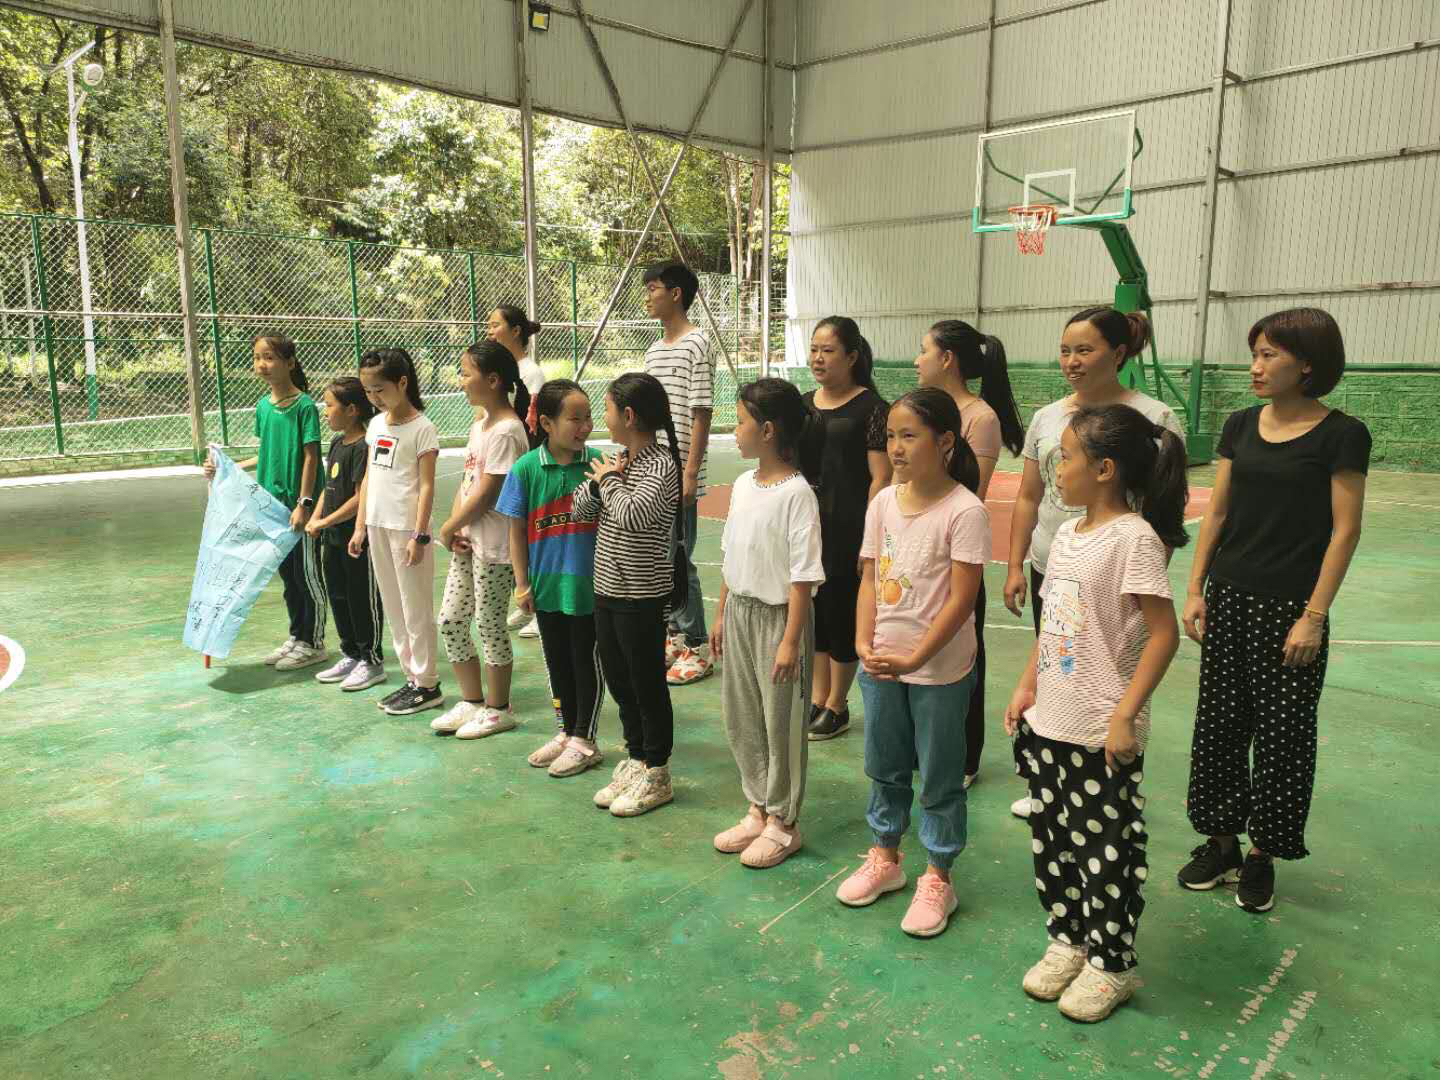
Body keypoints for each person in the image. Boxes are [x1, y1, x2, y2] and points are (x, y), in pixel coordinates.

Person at [1177, 308, 1369, 914]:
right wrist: (1195, 588)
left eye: (1269, 356)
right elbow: (1219, 513)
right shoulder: (1239, 425)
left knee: (1284, 736)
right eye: (1254, 353)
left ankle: (1263, 854)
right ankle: (1221, 842)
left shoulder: (1342, 434)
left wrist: (1313, 615)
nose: (1255, 367)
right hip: (1230, 597)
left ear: (1307, 364)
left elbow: (1345, 530)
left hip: (1291, 608)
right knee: (1220, 727)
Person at [1003, 403, 1187, 1023]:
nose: (1058, 468)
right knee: (1053, 841)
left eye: (1070, 457)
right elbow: (1053, 621)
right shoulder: (1067, 537)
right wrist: (1027, 687)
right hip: (1050, 719)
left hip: (1099, 728)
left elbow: (1164, 635)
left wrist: (1124, 716)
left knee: (1106, 848)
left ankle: (1112, 962)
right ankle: (1068, 937)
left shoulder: (1133, 539)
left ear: (1105, 469)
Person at [1002, 307, 1184, 818]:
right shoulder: (1048, 418)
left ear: (1119, 354)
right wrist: (1016, 564)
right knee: (1058, 661)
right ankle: (1047, 782)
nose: (1072, 361)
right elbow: (1026, 497)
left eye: (1084, 350)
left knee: (1101, 671)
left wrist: (1137, 573)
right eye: (1065, 350)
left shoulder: (1154, 419)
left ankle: (1094, 770)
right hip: (1059, 563)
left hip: (1113, 576)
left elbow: (1165, 505)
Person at [834, 389, 989, 939]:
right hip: (881, 662)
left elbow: (962, 599)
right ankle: (886, 857)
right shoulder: (883, 504)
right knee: (885, 763)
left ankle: (939, 875)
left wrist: (917, 656)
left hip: (937, 668)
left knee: (941, 775)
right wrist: (862, 639)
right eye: (891, 437)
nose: (896, 448)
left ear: (945, 442)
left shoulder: (965, 510)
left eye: (909, 436)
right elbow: (871, 578)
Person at [710, 379, 824, 869]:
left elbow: (802, 576)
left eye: (740, 421)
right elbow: (729, 553)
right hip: (740, 612)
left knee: (782, 722)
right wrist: (720, 612)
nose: (735, 431)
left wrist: (790, 642)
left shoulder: (798, 494)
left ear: (769, 429)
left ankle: (784, 820)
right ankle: (757, 805)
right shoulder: (741, 485)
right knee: (743, 716)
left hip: (781, 621)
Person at [915, 319, 1024, 788]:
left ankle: (964, 757)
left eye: (924, 351)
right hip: (915, 551)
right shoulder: (922, 409)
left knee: (963, 653)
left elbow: (970, 492)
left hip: (954, 552)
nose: (917, 361)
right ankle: (925, 746)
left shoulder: (980, 418)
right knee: (918, 648)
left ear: (947, 359)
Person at [574, 372, 682, 817]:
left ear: (630, 415)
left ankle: (657, 769)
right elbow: (582, 508)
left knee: (646, 682)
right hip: (608, 589)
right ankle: (636, 757)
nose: (604, 417)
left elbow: (634, 515)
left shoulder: (661, 466)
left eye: (608, 409)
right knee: (619, 678)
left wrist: (608, 482)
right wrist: (603, 481)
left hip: (642, 595)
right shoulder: (619, 461)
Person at [498, 380, 607, 777]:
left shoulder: (598, 465)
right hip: (546, 587)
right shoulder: (526, 469)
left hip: (589, 588)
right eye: (574, 418)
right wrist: (521, 583)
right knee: (557, 663)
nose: (585, 426)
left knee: (585, 663)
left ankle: (585, 738)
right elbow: (515, 531)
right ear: (546, 422)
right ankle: (565, 732)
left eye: (588, 417)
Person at [205, 334, 327, 670]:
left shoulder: (304, 406)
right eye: (258, 357)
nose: (262, 364)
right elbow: (264, 453)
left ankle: (314, 642)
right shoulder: (263, 407)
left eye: (270, 357)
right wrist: (226, 468)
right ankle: (297, 636)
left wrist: (304, 502)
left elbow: (311, 457)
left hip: (298, 508)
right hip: (272, 508)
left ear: (290, 363)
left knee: (307, 576)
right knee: (288, 577)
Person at [431, 342, 532, 740]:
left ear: (492, 380)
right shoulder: (480, 425)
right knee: (452, 619)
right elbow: (468, 482)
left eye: (466, 373)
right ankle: (472, 701)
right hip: (470, 542)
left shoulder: (508, 430)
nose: (461, 380)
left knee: (490, 625)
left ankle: (498, 707)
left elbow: (490, 492)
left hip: (496, 548)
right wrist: (456, 526)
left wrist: (445, 527)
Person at [798, 316, 892, 741]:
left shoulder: (872, 409)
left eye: (828, 350)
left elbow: (881, 477)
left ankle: (838, 702)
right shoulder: (803, 404)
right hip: (809, 527)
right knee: (815, 614)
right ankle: (818, 698)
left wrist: (869, 538)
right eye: (815, 349)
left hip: (850, 526)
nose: (818, 358)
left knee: (841, 613)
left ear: (852, 356)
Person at [350, 348, 443, 716]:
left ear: (402, 383)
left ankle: (428, 683)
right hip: (377, 524)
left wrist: (419, 535)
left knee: (415, 608)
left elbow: (426, 487)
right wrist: (360, 526)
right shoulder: (375, 426)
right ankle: (411, 679)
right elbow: (371, 476)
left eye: (380, 390)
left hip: (407, 528)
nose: (373, 398)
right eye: (368, 391)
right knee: (393, 607)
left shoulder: (423, 429)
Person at [640, 261, 716, 686]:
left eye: (654, 288)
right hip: (654, 467)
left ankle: (697, 644)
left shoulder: (697, 344)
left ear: (676, 294)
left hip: (679, 470)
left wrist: (689, 473)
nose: (648, 296)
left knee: (677, 557)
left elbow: (701, 413)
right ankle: (673, 633)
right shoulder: (654, 351)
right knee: (660, 556)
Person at [306, 377, 386, 691]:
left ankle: (372, 660)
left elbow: (358, 498)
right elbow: (328, 489)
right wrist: (316, 518)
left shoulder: (364, 445)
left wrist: (328, 523)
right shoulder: (337, 443)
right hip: (332, 538)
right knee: (338, 595)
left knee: (360, 598)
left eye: (329, 405)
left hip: (355, 539)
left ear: (352, 409)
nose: (324, 412)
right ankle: (351, 653)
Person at [489, 303, 550, 642]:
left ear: (515, 331)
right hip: (508, 464)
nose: (489, 331)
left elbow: (535, 426)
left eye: (495, 325)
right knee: (515, 533)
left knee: (532, 535)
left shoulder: (531, 372)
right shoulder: (500, 371)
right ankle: (525, 599)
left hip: (526, 464)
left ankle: (540, 609)